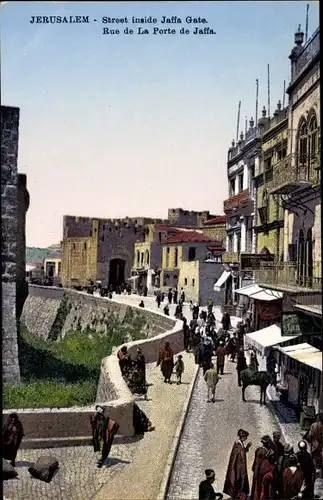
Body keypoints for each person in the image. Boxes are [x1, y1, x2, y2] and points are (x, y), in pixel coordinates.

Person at [223, 428, 252, 499]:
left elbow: (242, 452)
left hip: (241, 468)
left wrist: (247, 447)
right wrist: (235, 469)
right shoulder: (237, 445)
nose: (246, 438)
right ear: (243, 437)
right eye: (246, 437)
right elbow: (235, 458)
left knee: (240, 482)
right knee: (237, 481)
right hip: (238, 468)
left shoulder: (240, 444)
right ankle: (238, 496)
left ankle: (240, 495)